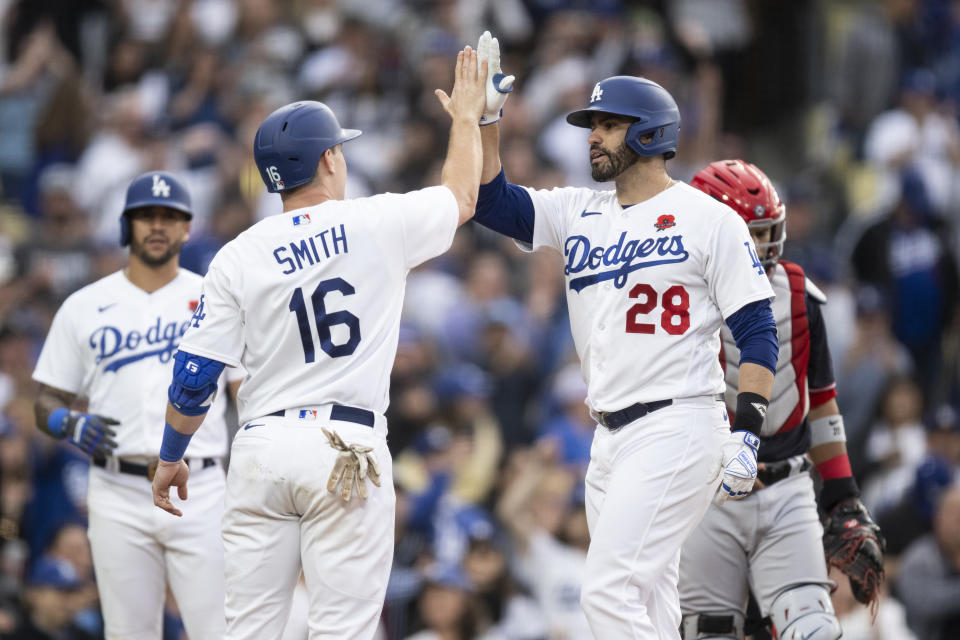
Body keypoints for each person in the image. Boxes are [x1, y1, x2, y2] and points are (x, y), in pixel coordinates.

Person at [150, 45, 488, 639]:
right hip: (344, 445)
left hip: (260, 448)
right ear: (330, 158)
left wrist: (172, 455)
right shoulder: (375, 222)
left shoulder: (237, 254)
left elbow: (196, 373)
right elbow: (462, 196)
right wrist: (465, 120)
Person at [469, 31, 778, 639]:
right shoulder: (578, 210)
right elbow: (490, 203)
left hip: (677, 425)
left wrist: (750, 429)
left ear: (650, 132)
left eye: (608, 125)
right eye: (593, 125)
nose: (593, 136)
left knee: (606, 594)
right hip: (607, 437)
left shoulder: (708, 219)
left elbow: (756, 328)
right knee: (652, 601)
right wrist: (487, 123)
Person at [678, 159, 885, 640]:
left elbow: (823, 406)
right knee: (710, 632)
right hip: (704, 492)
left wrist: (843, 497)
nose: (762, 246)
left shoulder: (798, 297)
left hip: (787, 489)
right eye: (749, 234)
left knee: (813, 628)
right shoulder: (671, 302)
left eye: (764, 231)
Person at [31, 171, 239, 639]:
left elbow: (246, 391)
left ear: (188, 227)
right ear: (127, 226)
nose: (158, 225)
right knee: (128, 633)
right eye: (147, 216)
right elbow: (45, 397)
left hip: (201, 487)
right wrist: (67, 421)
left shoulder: (217, 297)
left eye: (170, 216)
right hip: (115, 488)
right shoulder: (85, 304)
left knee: (222, 630)